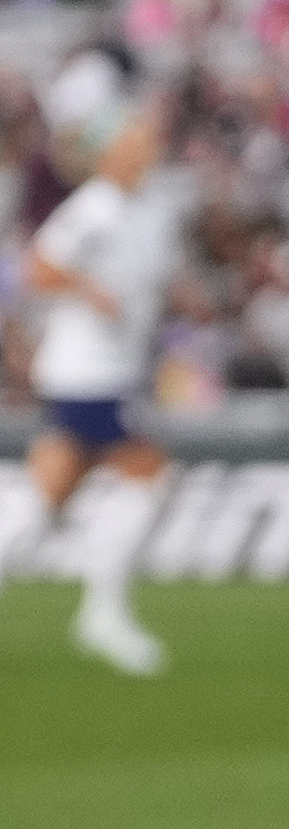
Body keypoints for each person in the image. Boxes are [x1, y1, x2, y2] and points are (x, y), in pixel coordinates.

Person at [2, 107, 181, 675]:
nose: (147, 153)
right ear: (110, 155)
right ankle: (103, 613)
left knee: (48, 494)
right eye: (135, 143)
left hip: (111, 369)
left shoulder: (144, 210)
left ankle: (102, 613)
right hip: (84, 372)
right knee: (148, 472)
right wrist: (88, 290)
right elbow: (38, 269)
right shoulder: (93, 209)